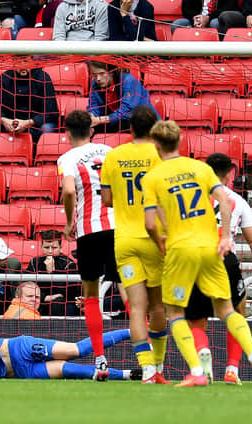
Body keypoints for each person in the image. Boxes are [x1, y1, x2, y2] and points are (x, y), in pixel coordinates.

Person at [143, 120, 252, 387]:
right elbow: (225, 200)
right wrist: (225, 236)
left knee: (176, 313)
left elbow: (149, 223)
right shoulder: (200, 169)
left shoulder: (153, 177)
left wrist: (161, 241)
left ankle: (197, 371)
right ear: (180, 142)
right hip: (211, 249)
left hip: (181, 250)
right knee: (227, 309)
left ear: (156, 145)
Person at [185, 153, 252, 385]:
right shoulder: (238, 201)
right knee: (235, 313)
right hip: (226, 259)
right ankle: (232, 369)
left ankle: (201, 360)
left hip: (196, 258)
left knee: (196, 319)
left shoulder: (191, 197)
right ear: (230, 173)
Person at [100, 105, 169, 384]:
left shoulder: (114, 155)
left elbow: (106, 200)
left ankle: (147, 369)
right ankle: (160, 366)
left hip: (125, 240)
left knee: (136, 308)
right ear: (154, 130)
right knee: (158, 307)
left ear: (130, 129)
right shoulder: (160, 156)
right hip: (154, 237)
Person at [57, 110, 120, 381]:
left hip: (88, 231)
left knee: (91, 295)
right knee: (128, 289)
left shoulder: (67, 158)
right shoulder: (110, 151)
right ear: (91, 130)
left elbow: (69, 190)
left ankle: (100, 360)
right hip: (119, 227)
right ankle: (148, 357)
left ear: (68, 133)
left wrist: (69, 221)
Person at [0, 306, 139, 380]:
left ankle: (132, 330)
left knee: (74, 351)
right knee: (71, 370)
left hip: (19, 349)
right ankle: (130, 374)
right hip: (22, 372)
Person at [0, 67, 59, 144]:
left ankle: (38, 154)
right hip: (9, 124)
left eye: (26, 61)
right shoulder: (5, 77)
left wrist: (29, 122)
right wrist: (4, 120)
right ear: (14, 62)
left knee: (47, 129)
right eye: (20, 62)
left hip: (35, 125)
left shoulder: (43, 77)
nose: (23, 66)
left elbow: (51, 111)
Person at [88, 60, 159, 134]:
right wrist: (91, 116)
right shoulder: (95, 84)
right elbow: (94, 106)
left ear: (111, 72)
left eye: (102, 73)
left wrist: (100, 120)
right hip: (118, 122)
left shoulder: (128, 80)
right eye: (94, 75)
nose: (98, 78)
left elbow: (127, 111)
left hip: (144, 124)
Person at [26, 230, 80, 316]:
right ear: (41, 247)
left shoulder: (69, 264)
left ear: (60, 247)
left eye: (54, 248)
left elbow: (67, 293)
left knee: (58, 302)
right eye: (46, 248)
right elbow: (28, 286)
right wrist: (44, 297)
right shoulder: (34, 262)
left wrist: (52, 273)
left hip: (62, 304)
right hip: (40, 300)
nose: (50, 251)